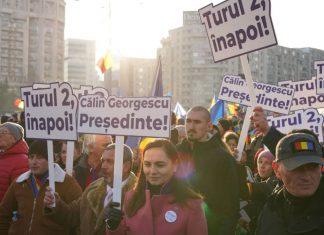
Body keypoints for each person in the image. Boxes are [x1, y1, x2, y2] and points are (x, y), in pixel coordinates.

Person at [105, 139, 208, 235]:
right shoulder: (131, 198)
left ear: (175, 165)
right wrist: (113, 228)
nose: (152, 171)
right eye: (147, 164)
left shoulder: (192, 204)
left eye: (160, 165)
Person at [44, 143, 137, 235]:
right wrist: (55, 205)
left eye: (110, 162)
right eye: (103, 161)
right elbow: (73, 215)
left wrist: (115, 226)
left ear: (126, 166)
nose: (103, 166)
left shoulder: (138, 195)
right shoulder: (94, 187)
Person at [176, 106, 239, 235]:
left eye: (197, 122)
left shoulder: (223, 158)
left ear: (209, 126)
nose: (191, 126)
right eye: (188, 121)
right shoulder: (176, 152)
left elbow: (231, 206)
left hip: (211, 227)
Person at [0, 140, 82, 234]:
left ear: (50, 160)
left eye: (39, 157)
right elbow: (3, 214)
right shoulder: (20, 182)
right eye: (31, 157)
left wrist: (58, 206)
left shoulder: (67, 182)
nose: (34, 162)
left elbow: (77, 217)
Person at [256, 133, 324, 235]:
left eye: (312, 167)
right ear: (277, 169)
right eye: (297, 168)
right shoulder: (271, 209)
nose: (306, 176)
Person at [0, 122, 29, 202]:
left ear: (14, 138)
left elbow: (20, 195)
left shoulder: (22, 161)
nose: (0, 135)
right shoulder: (2, 156)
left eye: (4, 132)